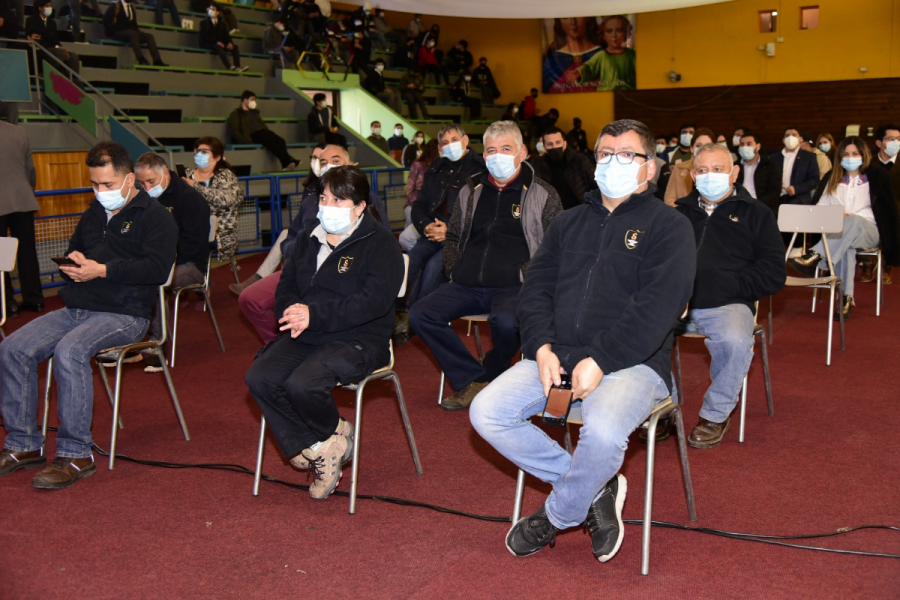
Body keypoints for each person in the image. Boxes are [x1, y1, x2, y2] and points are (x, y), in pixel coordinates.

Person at [470, 119, 695, 563]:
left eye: (627, 155)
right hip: (557, 355)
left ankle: (558, 514)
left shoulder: (670, 226)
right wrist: (540, 348)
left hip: (634, 363)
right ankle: (596, 485)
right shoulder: (567, 223)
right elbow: (535, 291)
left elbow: (657, 308)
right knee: (486, 413)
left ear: (649, 167)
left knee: (605, 431)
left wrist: (602, 358)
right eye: (606, 154)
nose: (614, 162)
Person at [0, 141, 177, 489]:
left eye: (107, 185)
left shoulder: (156, 216)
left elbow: (157, 269)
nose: (99, 192)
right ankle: (23, 444)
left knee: (70, 352)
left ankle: (76, 453)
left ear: (129, 180)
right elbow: (73, 251)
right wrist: (75, 264)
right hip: (79, 306)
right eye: (94, 185)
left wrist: (103, 270)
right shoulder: (94, 212)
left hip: (127, 313)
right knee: (12, 349)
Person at [244, 165, 404, 501]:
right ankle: (327, 442)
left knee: (301, 383)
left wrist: (313, 314)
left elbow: (371, 303)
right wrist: (291, 313)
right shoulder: (307, 237)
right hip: (308, 333)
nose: (327, 206)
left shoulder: (380, 244)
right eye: (324, 198)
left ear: (360, 206)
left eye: (338, 200)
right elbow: (286, 287)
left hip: (360, 338)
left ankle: (318, 441)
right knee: (260, 377)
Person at [409, 121, 562, 409]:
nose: (497, 156)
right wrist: (454, 269)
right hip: (467, 282)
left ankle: (493, 366)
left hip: (514, 285)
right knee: (420, 314)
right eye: (491, 150)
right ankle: (473, 379)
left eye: (506, 149)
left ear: (522, 153)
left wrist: (523, 273)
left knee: (506, 322)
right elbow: (453, 235)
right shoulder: (472, 189)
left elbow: (555, 248)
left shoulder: (543, 194)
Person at [670, 143, 785, 448]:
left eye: (718, 169)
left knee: (735, 341)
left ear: (734, 173)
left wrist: (726, 285)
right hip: (676, 305)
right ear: (693, 175)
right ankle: (662, 407)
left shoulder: (757, 213)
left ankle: (715, 414)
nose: (711, 176)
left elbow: (774, 272)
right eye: (704, 170)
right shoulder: (677, 214)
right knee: (637, 332)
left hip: (729, 303)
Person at [237, 145, 390, 343]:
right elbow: (291, 235)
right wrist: (301, 252)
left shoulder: (367, 202)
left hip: (342, 274)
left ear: (350, 165)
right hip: (303, 268)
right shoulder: (310, 200)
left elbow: (378, 247)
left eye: (335, 161)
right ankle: (282, 343)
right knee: (251, 299)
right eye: (323, 163)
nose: (329, 167)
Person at [789, 137, 900, 319]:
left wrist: (851, 217)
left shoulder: (877, 177)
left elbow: (888, 213)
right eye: (846, 154)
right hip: (840, 236)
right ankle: (845, 299)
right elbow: (819, 209)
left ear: (863, 155)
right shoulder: (832, 178)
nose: (850, 157)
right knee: (846, 244)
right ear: (839, 157)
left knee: (853, 222)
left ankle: (817, 255)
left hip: (869, 231)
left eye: (855, 154)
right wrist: (837, 214)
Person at [133, 152, 211, 372]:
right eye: (141, 183)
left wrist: (158, 263)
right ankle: (127, 339)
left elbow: (192, 246)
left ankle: (157, 346)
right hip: (153, 262)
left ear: (165, 173)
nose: (146, 188)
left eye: (151, 182)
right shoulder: (142, 199)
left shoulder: (190, 199)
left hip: (191, 266)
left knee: (156, 281)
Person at [405, 125, 485, 311]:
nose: (450, 146)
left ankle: (419, 316)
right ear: (439, 148)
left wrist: (450, 229)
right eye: (445, 143)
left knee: (434, 268)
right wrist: (425, 226)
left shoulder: (480, 169)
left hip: (463, 237)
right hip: (433, 232)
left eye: (455, 140)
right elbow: (419, 205)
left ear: (465, 141)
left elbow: (483, 211)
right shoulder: (434, 169)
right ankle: (398, 312)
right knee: (410, 262)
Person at [0, 120, 43, 317]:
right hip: (23, 198)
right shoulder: (19, 132)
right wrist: (28, 192)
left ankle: (7, 303)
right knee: (27, 252)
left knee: (1, 255)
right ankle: (35, 299)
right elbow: (30, 170)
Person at [183, 136, 243, 263]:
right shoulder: (187, 174)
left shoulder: (225, 176)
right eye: (197, 150)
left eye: (205, 151)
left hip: (218, 231)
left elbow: (226, 200)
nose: (200, 154)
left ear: (217, 157)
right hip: (188, 227)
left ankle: (196, 275)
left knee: (186, 243)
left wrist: (195, 186)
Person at [228, 91, 300, 171]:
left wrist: (267, 131)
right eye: (252, 99)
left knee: (281, 141)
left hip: (262, 131)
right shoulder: (237, 113)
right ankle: (288, 161)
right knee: (270, 142)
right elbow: (235, 130)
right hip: (253, 134)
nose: (253, 102)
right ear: (245, 100)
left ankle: (286, 162)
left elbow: (261, 124)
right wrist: (245, 141)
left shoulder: (255, 112)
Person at [530, 126, 596, 210]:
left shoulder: (579, 160)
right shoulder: (538, 164)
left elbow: (595, 183)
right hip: (553, 214)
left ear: (564, 144)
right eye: (550, 144)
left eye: (558, 142)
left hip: (581, 211)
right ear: (544, 147)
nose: (554, 147)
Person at [565, 15, 635, 91]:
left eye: (619, 30)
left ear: (626, 33)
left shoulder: (631, 54)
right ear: (603, 35)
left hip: (628, 92)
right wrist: (580, 72)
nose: (614, 36)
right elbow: (590, 67)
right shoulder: (601, 55)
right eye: (609, 31)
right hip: (605, 92)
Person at [868, 124, 900, 284]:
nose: (896, 142)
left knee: (892, 215)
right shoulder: (868, 164)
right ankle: (866, 261)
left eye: (898, 139)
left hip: (897, 207)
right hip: (874, 207)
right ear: (879, 143)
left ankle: (887, 263)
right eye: (891, 139)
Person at [399, 139, 440, 252]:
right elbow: (409, 189)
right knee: (411, 213)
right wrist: (417, 205)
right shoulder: (417, 165)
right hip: (415, 203)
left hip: (431, 208)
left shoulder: (441, 168)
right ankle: (411, 252)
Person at [542, 17, 601, 93]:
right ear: (559, 22)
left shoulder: (604, 55)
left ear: (588, 18)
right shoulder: (551, 61)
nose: (573, 23)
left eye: (578, 16)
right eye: (566, 18)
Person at [103, 0, 167, 67]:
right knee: (132, 34)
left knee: (149, 36)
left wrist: (139, 33)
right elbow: (105, 20)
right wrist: (112, 31)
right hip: (117, 32)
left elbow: (134, 24)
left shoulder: (132, 7)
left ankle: (157, 60)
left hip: (131, 32)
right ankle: (141, 58)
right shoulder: (115, 5)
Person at [26, 1, 81, 77]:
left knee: (73, 56)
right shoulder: (31, 20)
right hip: (41, 50)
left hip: (52, 49)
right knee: (60, 53)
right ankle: (54, 76)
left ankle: (74, 81)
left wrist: (60, 47)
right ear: (40, 8)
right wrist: (57, 48)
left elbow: (55, 40)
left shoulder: (52, 23)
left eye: (50, 6)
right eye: (47, 6)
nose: (49, 8)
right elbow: (36, 39)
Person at [735, 129, 783, 213]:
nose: (745, 147)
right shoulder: (735, 166)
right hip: (738, 207)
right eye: (742, 144)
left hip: (762, 207)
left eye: (749, 144)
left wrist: (755, 203)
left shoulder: (770, 166)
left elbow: (774, 192)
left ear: (758, 147)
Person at [664, 128, 714, 206]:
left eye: (707, 146)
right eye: (698, 145)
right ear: (691, 148)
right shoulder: (679, 168)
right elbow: (669, 199)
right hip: (683, 215)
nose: (702, 149)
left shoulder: (720, 171)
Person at [771, 127, 820, 205]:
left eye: (794, 135)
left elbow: (814, 180)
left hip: (799, 197)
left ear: (800, 139)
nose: (790, 138)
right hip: (777, 197)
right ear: (783, 140)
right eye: (787, 135)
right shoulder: (774, 158)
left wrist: (796, 189)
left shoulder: (809, 157)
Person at [199, 3, 247, 72]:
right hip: (209, 44)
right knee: (219, 47)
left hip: (219, 43)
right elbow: (204, 36)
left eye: (213, 9)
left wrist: (229, 42)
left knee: (235, 47)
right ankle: (229, 66)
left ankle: (237, 66)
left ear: (218, 12)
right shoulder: (203, 23)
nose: (210, 11)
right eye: (210, 9)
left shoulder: (222, 23)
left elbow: (226, 35)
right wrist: (216, 41)